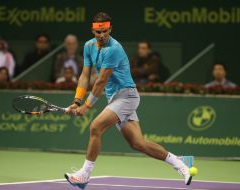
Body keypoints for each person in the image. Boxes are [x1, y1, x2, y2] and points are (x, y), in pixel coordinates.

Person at [65, 12, 194, 189]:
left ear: (110, 29)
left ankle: (84, 175)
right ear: (92, 31)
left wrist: (87, 106)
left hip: (127, 96)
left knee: (95, 127)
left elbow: (101, 80)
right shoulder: (88, 46)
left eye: (105, 31)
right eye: (98, 32)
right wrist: (77, 101)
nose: (102, 35)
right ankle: (180, 163)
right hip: (115, 99)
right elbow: (85, 74)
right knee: (137, 143)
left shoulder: (114, 49)